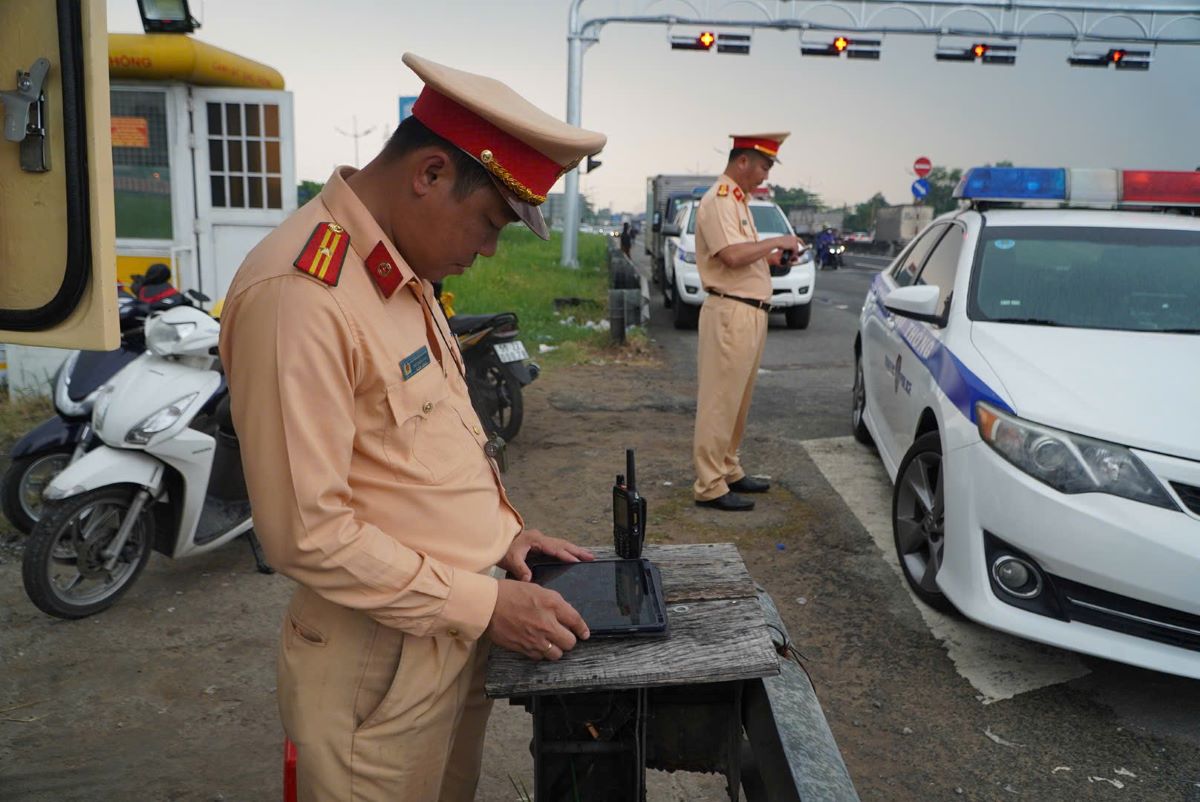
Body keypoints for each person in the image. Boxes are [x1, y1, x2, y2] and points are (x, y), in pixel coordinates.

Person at [218, 53, 606, 801]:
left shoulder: (393, 268)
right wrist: (487, 604)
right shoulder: (302, 294)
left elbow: (417, 448)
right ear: (429, 174)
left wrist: (503, 540)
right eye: (489, 221)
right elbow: (308, 533)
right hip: (377, 661)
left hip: (448, 627)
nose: (488, 247)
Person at [692, 134, 801, 512]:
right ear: (743, 161)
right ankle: (709, 484)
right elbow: (732, 255)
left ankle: (728, 468)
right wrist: (776, 242)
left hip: (748, 309)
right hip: (730, 310)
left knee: (738, 400)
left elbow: (743, 255)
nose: (765, 175)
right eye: (764, 166)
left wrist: (771, 260)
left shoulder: (738, 200)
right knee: (720, 401)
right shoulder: (720, 199)